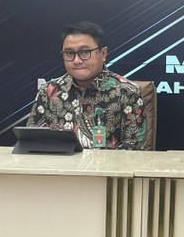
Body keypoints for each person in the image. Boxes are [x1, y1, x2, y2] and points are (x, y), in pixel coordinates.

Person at [28, 21, 147, 150]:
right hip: (58, 168)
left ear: (103, 54)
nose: (77, 61)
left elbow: (133, 150)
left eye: (85, 52)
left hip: (106, 168)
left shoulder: (126, 92)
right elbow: (31, 142)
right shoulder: (49, 91)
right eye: (69, 53)